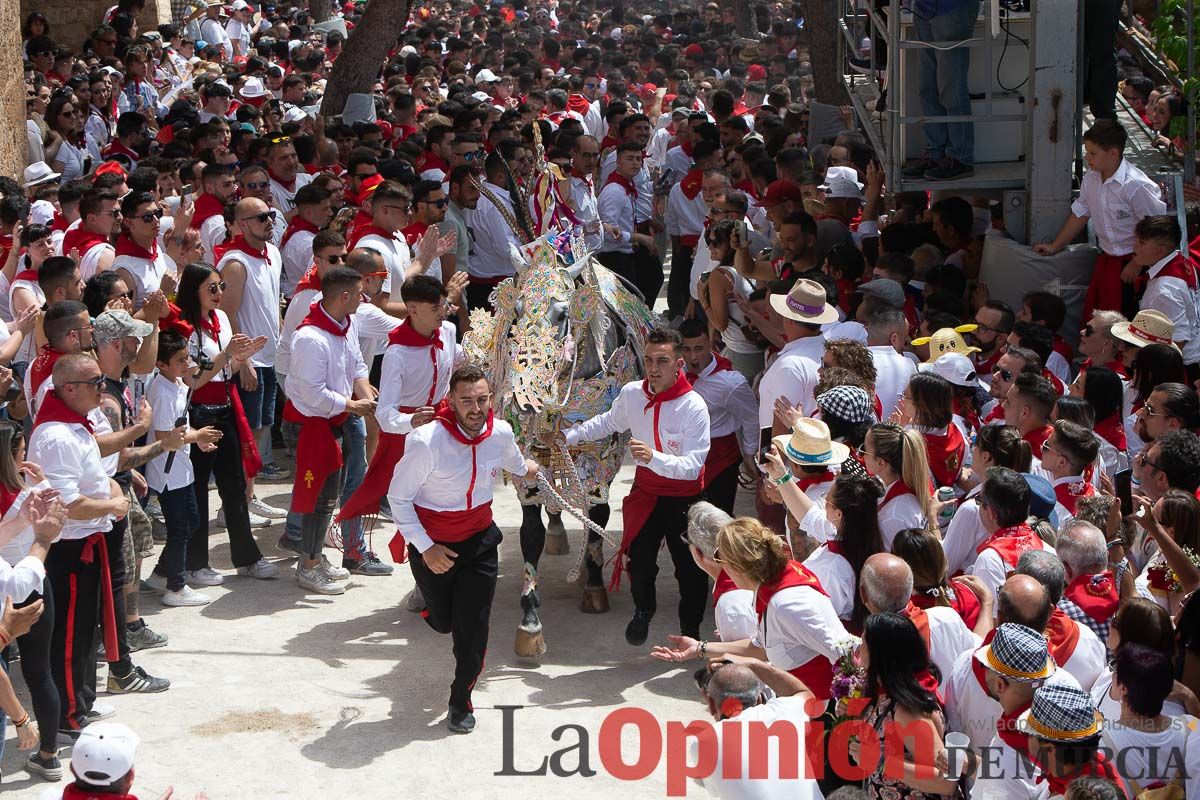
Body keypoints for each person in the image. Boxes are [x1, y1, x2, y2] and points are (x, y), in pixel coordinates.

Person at [387, 363, 539, 733]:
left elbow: (515, 463)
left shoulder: (500, 433)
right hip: (432, 545)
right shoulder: (426, 442)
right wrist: (426, 548)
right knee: (443, 622)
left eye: (482, 400)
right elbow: (398, 499)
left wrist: (528, 469)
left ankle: (461, 700)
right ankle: (433, 608)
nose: (475, 408)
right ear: (451, 401)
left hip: (479, 543)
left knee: (472, 629)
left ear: (491, 400)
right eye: (466, 400)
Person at [564, 327, 711, 644]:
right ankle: (644, 609)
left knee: (690, 569)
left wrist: (653, 458)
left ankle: (691, 632)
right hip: (646, 494)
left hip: (684, 500)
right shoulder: (632, 393)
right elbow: (608, 423)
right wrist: (570, 435)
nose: (653, 369)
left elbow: (692, 468)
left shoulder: (694, 406)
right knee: (640, 562)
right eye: (648, 360)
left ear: (679, 364)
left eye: (662, 361)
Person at [27, 354, 130, 734]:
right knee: (70, 634)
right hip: (69, 549)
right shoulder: (56, 436)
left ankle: (81, 702)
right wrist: (114, 505)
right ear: (69, 389)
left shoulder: (76, 425)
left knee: (86, 629)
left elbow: (94, 477)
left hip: (88, 541)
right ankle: (69, 715)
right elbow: (67, 504)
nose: (103, 389)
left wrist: (113, 490)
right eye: (95, 383)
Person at [652, 517, 849, 702]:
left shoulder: (786, 604)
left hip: (819, 713)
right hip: (800, 707)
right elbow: (759, 648)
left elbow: (848, 652)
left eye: (719, 556)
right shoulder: (773, 584)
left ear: (736, 568)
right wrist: (700, 648)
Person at [172, 261, 275, 586]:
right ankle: (195, 564)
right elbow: (195, 381)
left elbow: (227, 363)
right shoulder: (184, 329)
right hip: (199, 414)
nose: (218, 294)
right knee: (199, 489)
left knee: (235, 486)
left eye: (221, 287)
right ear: (194, 291)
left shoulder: (220, 320)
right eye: (211, 288)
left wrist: (242, 358)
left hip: (226, 408)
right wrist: (228, 354)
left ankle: (248, 558)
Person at [283, 267, 377, 595]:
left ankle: (314, 558)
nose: (365, 298)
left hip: (329, 424)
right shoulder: (310, 337)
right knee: (316, 498)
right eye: (360, 292)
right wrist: (352, 406)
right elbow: (312, 394)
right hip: (309, 427)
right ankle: (308, 565)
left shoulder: (345, 325)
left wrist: (364, 393)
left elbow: (357, 366)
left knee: (326, 498)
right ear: (344, 296)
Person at [1034, 121, 1167, 320]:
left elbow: (1154, 229)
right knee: (1100, 321)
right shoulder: (1091, 178)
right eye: (1087, 152)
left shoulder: (1136, 185)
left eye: (1093, 153)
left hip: (1134, 264)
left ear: (1113, 153)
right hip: (1107, 261)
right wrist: (1055, 246)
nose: (1087, 158)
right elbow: (1080, 214)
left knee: (1125, 321)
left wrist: (1138, 263)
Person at [0, 423, 68, 780]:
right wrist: (41, 482)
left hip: (7, 589)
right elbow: (57, 521)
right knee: (41, 673)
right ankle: (49, 755)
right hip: (32, 583)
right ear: (13, 456)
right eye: (22, 451)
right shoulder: (35, 492)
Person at [142, 331, 222, 606]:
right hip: (167, 472)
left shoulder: (176, 383)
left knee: (191, 522)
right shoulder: (162, 392)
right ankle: (176, 587)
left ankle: (162, 575)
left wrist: (196, 438)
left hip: (180, 468)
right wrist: (197, 437)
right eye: (179, 360)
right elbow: (166, 437)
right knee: (181, 527)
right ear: (161, 364)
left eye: (186, 357)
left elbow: (181, 427)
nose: (186, 364)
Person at [216, 196, 288, 498]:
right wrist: (242, 361)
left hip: (271, 359)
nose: (269, 221)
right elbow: (227, 315)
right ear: (242, 225)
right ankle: (236, 502)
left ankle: (250, 496)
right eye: (261, 218)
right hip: (250, 363)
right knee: (246, 433)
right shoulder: (234, 264)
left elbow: (273, 305)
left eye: (269, 215)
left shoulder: (272, 252)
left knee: (261, 429)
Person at [853, 613, 960, 800]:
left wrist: (879, 762)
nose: (858, 649)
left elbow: (945, 782)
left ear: (880, 655)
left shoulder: (908, 712)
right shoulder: (884, 691)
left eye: (863, 644)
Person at [689, 658, 820, 800]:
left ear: (711, 706)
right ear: (759, 699)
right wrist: (754, 664)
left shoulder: (702, 742)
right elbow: (803, 692)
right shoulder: (787, 711)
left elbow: (716, 791)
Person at [858, 553, 979, 693]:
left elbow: (858, 707)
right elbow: (978, 652)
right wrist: (987, 604)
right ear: (911, 589)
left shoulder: (869, 651)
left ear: (863, 594)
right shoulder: (946, 618)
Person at [678, 320, 758, 516]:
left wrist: (749, 453)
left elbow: (751, 417)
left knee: (718, 521)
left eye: (699, 348)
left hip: (720, 458)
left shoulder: (730, 382)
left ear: (710, 344)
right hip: (682, 455)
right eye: (686, 349)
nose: (693, 357)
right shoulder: (673, 372)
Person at [1101, 644, 1200, 800]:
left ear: (1123, 688)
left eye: (1114, 672)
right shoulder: (1192, 728)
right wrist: (1189, 698)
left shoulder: (1101, 742)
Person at [942, 425, 1032, 576]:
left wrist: (932, 524)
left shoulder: (973, 508)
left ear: (986, 457)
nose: (972, 449)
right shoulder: (1018, 495)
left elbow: (943, 568)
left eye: (975, 443)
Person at [1018, 679, 1126, 796]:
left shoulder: (1079, 794)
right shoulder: (1099, 767)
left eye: (1029, 734)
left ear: (1049, 749)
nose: (1025, 737)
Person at [1131, 215, 1200, 380]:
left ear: (1160, 249)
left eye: (1141, 243)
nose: (1134, 247)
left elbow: (1178, 340)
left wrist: (1159, 375)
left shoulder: (1164, 289)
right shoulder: (1182, 263)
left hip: (1185, 367)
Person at [893, 528, 990, 636]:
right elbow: (980, 645)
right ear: (941, 557)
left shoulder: (902, 609)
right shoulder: (964, 594)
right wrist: (987, 602)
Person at [683, 501, 757, 643]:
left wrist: (704, 650)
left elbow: (749, 659)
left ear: (697, 553)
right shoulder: (752, 570)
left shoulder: (732, 606)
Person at [862, 423, 934, 547]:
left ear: (881, 463)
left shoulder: (894, 517)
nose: (861, 454)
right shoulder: (913, 480)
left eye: (864, 449)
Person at [1043, 421, 1099, 527]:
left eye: (1046, 445)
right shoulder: (1096, 495)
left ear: (1061, 462)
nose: (1042, 447)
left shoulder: (1052, 509)